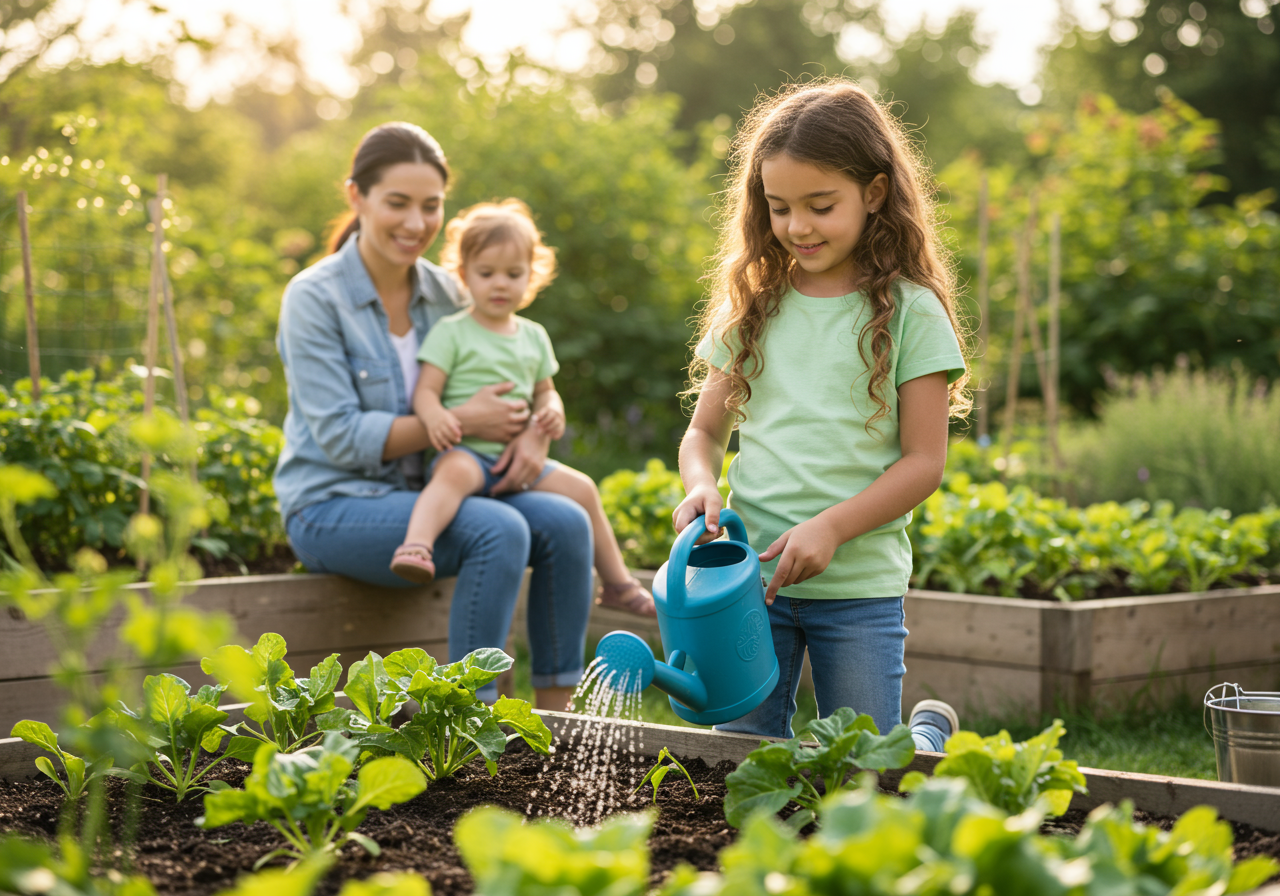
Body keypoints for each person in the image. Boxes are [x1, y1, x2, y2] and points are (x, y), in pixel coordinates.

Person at [672, 80, 970, 749]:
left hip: (859, 585)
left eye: (820, 205)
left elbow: (924, 463)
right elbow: (704, 433)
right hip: (750, 584)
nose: (797, 226)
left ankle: (924, 737)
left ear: (874, 193)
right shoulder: (754, 305)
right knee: (740, 762)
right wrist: (701, 485)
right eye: (779, 208)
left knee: (869, 768)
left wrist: (831, 528)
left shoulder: (911, 311)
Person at [273, 122, 593, 709]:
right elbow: (342, 438)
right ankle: (467, 717)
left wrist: (532, 437)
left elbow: (516, 374)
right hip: (334, 503)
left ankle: (557, 718)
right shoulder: (314, 298)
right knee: (499, 530)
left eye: (431, 206)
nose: (416, 224)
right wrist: (463, 421)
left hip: (438, 487)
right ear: (357, 197)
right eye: (397, 204)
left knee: (568, 521)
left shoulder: (448, 291)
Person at [386, 200, 657, 617]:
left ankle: (618, 584)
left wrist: (551, 411)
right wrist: (438, 416)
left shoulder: (533, 337)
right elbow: (425, 392)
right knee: (453, 474)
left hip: (518, 461)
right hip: (466, 452)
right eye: (486, 273)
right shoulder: (452, 332)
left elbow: (545, 391)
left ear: (531, 277)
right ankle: (417, 546)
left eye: (514, 274)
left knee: (583, 488)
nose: (500, 284)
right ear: (463, 276)